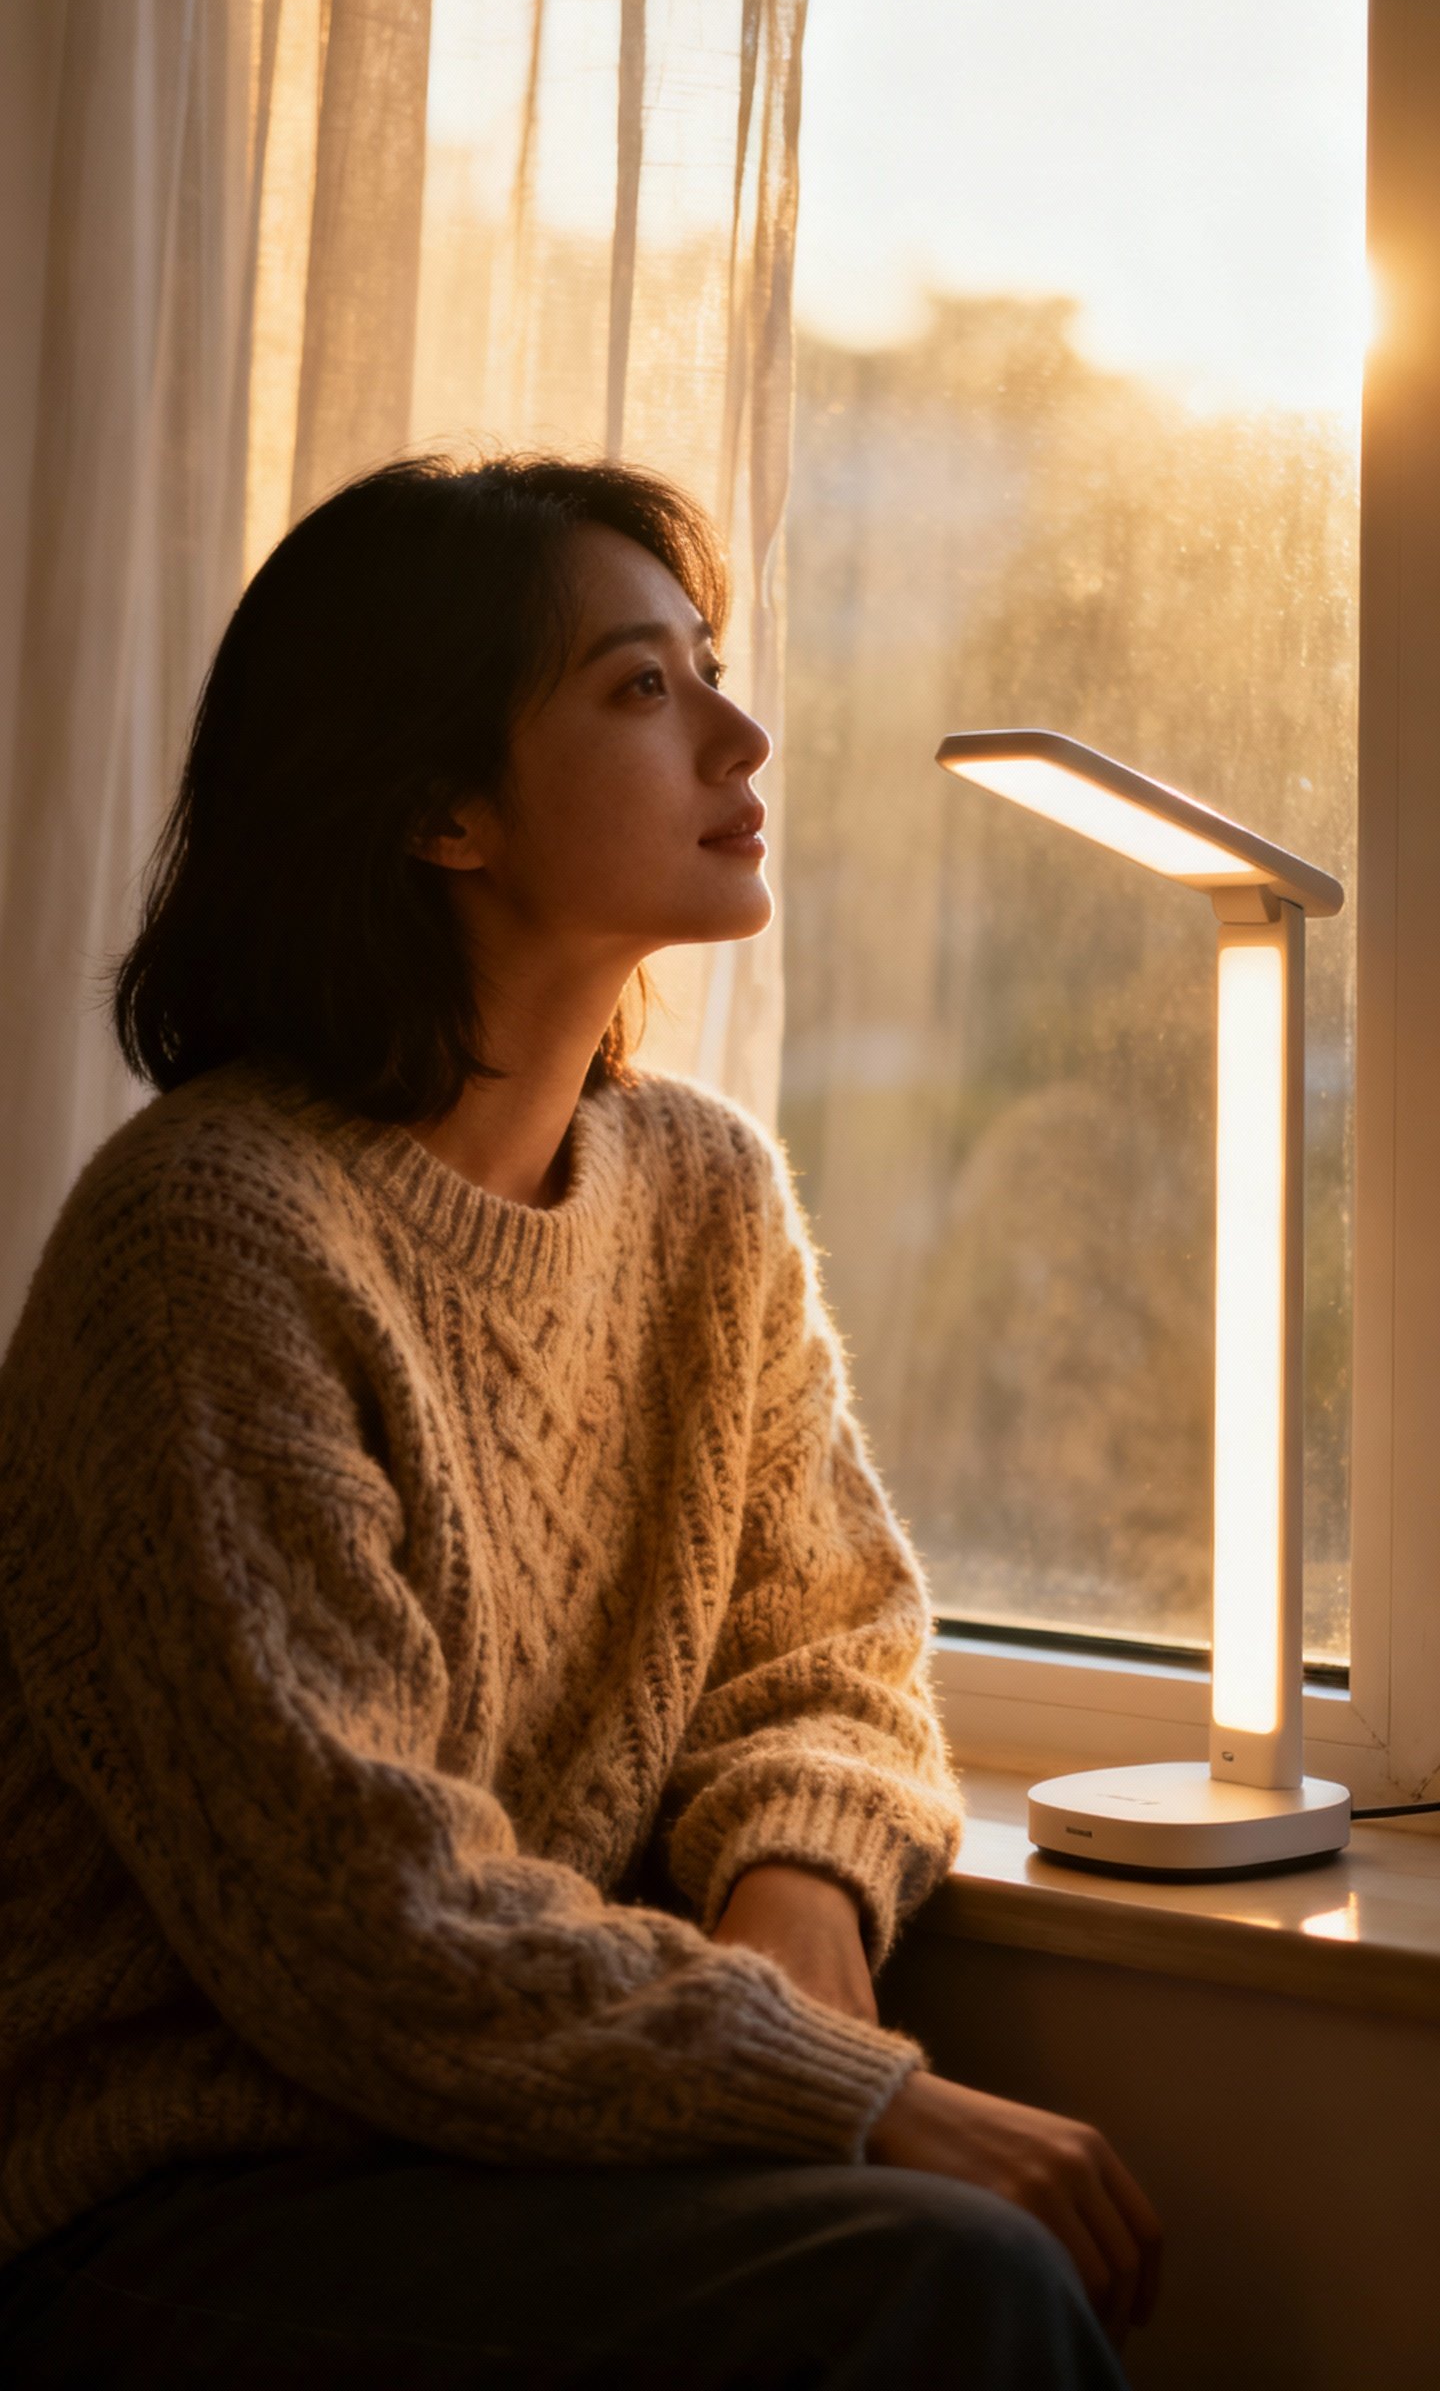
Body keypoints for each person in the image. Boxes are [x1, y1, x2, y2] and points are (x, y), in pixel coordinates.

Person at [0, 453, 1161, 2387]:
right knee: (952, 2280)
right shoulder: (210, 1241)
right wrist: (844, 2099)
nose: (740, 728)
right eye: (644, 688)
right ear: (440, 807)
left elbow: (832, 1653)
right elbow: (355, 1918)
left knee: (953, 2262)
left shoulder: (701, 1194)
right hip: (181, 2204)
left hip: (516, 2151)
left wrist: (798, 1911)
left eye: (708, 663)